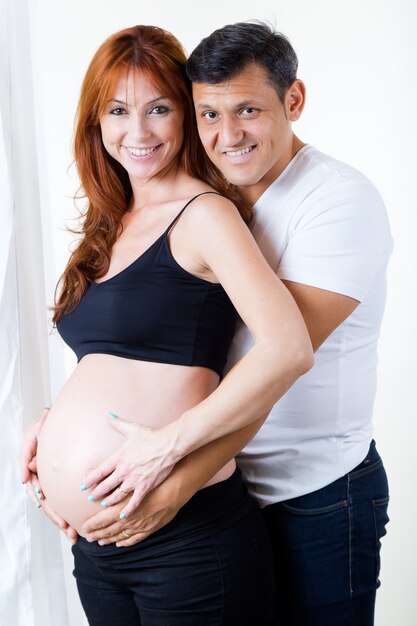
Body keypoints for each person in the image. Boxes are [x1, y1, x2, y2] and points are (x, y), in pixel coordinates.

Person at [71, 20, 393, 626]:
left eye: (247, 110)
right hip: (225, 491)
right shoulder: (209, 197)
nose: (227, 135)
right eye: (209, 114)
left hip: (313, 495)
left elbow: (273, 371)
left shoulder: (335, 201)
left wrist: (168, 480)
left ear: (293, 101)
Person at [20, 24, 314, 626]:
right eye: (119, 111)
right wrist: (53, 432)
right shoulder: (112, 223)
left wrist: (164, 447)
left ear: (185, 115)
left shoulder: (205, 215)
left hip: (188, 540)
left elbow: (288, 347)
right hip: (97, 546)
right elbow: (118, 361)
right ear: (95, 123)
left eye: (159, 108)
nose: (139, 131)